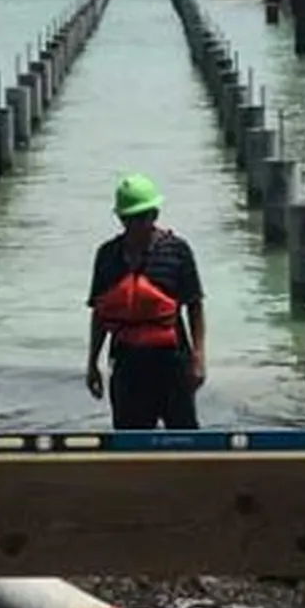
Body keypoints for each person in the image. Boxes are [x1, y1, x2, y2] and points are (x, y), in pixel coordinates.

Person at [86, 173, 205, 429]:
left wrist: (198, 359)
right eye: (128, 219)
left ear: (154, 215)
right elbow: (99, 314)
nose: (136, 226)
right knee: (131, 445)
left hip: (172, 364)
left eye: (142, 218)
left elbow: (194, 306)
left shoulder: (177, 251)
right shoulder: (108, 256)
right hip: (128, 365)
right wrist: (92, 364)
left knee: (184, 438)